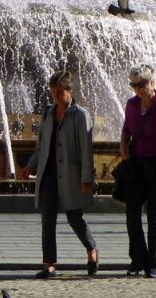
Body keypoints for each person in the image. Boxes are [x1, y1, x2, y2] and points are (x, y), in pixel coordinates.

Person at [18, 71, 98, 279]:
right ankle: (50, 264)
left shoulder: (81, 115)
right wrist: (30, 166)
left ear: (70, 91)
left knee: (74, 218)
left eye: (59, 92)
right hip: (48, 175)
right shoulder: (48, 114)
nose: (55, 96)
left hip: (70, 175)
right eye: (53, 92)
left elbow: (86, 151)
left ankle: (91, 250)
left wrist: (86, 179)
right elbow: (41, 146)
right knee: (48, 219)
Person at [118, 63, 156, 278]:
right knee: (132, 216)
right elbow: (126, 129)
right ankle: (137, 259)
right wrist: (123, 144)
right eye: (133, 85)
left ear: (152, 83)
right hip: (136, 165)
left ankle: (154, 264)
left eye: (141, 84)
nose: (137, 89)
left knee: (155, 217)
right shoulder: (131, 105)